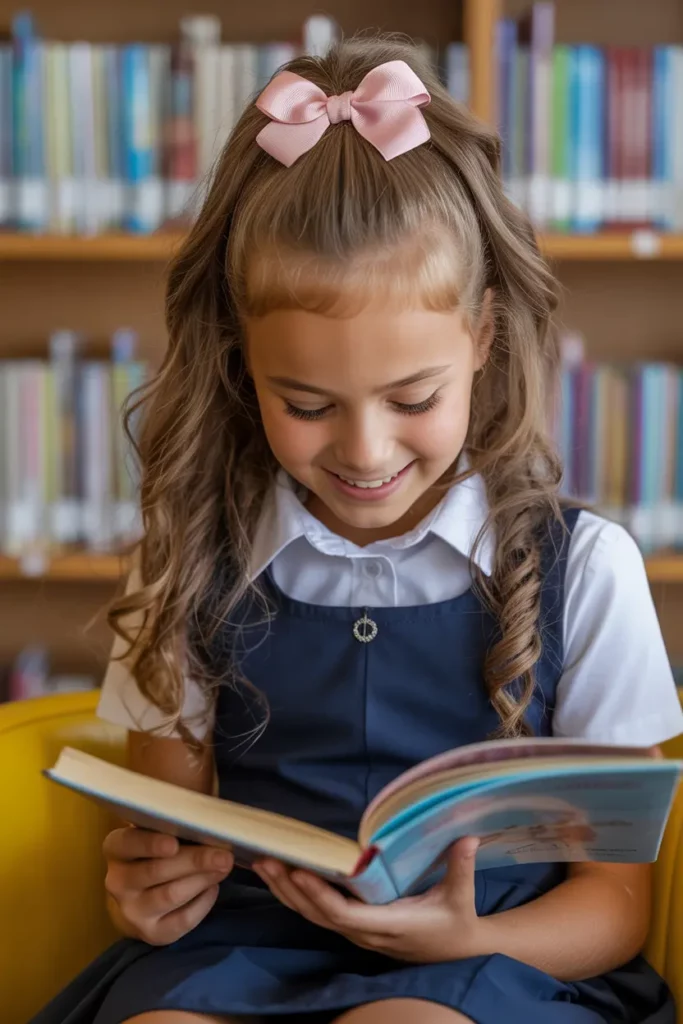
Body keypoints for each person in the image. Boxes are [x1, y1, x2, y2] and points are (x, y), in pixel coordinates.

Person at [31, 34, 683, 1024]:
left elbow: (615, 904)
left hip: (490, 964)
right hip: (238, 953)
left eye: (410, 395)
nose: (363, 448)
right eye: (304, 401)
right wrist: (147, 893)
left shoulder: (583, 569)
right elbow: (160, 847)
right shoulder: (193, 562)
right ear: (237, 361)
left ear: (481, 337)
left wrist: (469, 937)